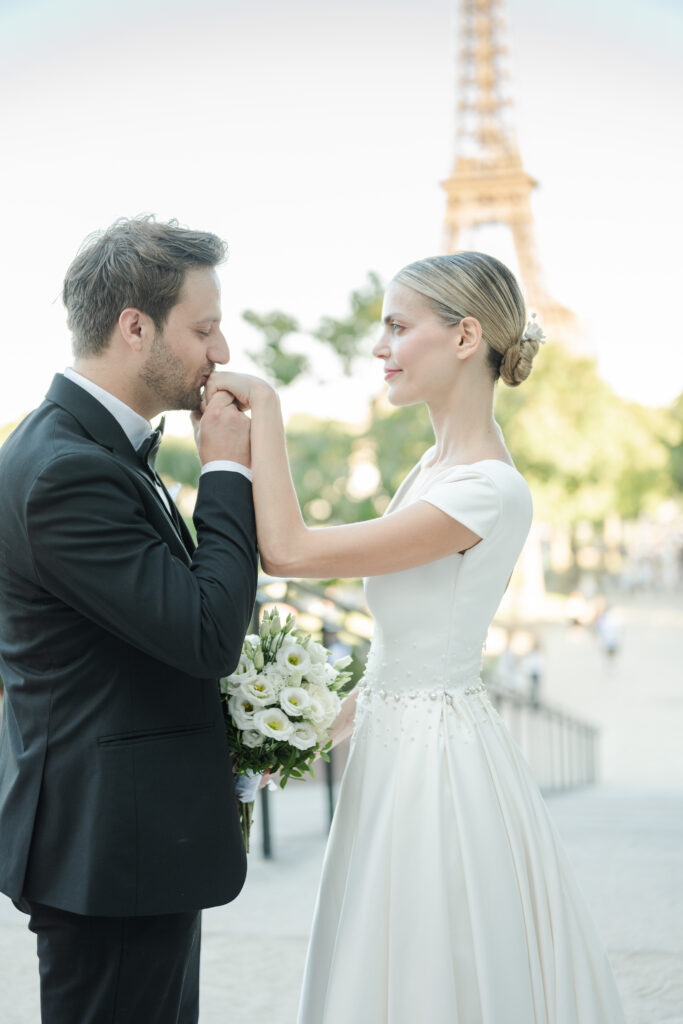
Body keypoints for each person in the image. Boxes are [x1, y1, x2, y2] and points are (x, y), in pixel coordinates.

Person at [206, 251, 626, 1023]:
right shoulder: (430, 470)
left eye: (397, 327)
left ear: (466, 337)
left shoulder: (485, 489)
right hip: (391, 750)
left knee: (432, 957)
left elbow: (291, 551)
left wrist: (264, 413)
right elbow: (405, 649)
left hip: (437, 766)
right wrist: (297, 734)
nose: (378, 349)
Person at [0, 217, 259, 1023]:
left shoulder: (90, 450)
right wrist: (225, 467)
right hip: (111, 853)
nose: (220, 353)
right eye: (204, 328)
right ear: (134, 326)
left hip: (129, 845)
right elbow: (207, 632)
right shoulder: (68, 471)